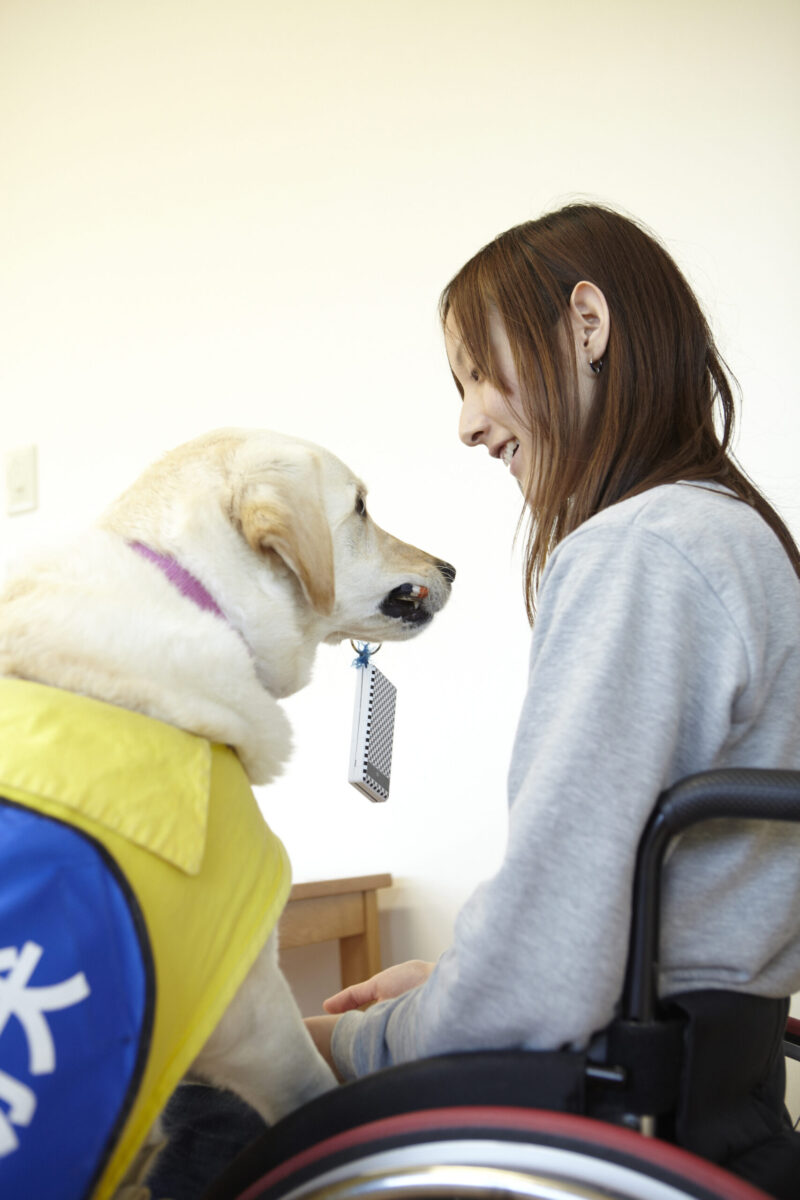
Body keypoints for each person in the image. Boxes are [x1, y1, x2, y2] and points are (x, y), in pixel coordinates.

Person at [301, 204, 800, 1198]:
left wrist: (353, 1041)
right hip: (720, 1108)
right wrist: (447, 987)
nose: (466, 422)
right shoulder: (733, 537)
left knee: (213, 1118)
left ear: (586, 325)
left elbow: (538, 984)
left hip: (628, 1117)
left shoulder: (639, 551)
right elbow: (613, 929)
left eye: (476, 374)